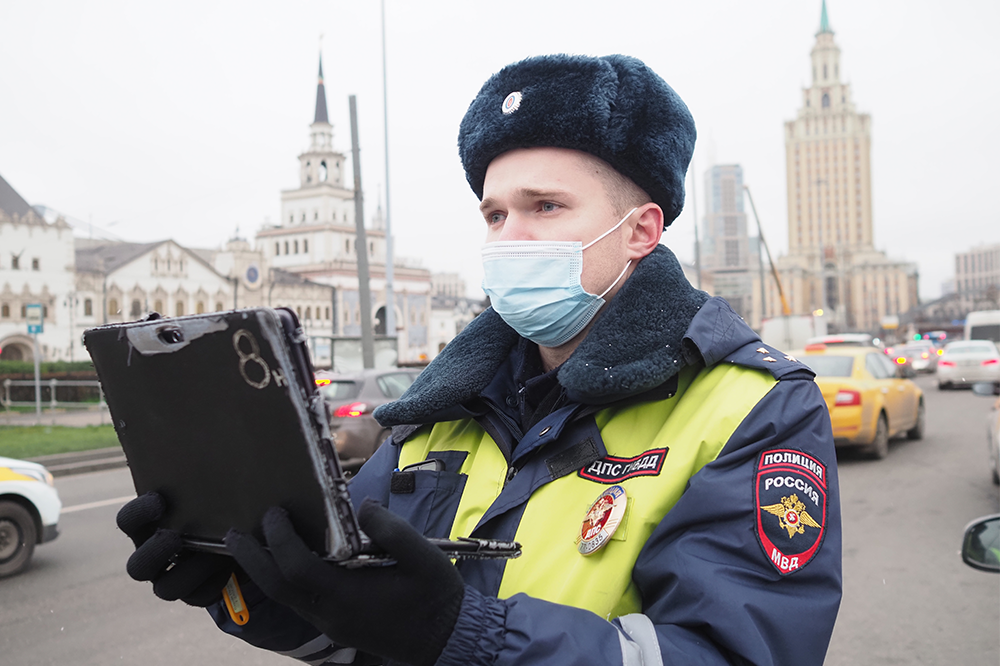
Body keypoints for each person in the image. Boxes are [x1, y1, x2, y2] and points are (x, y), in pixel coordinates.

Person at [117, 54, 842, 666]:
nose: (510, 237)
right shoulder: (439, 409)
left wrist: (461, 634)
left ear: (639, 231)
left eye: (546, 207)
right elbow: (355, 626)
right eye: (495, 214)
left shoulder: (754, 405)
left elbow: (732, 651)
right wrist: (247, 585)